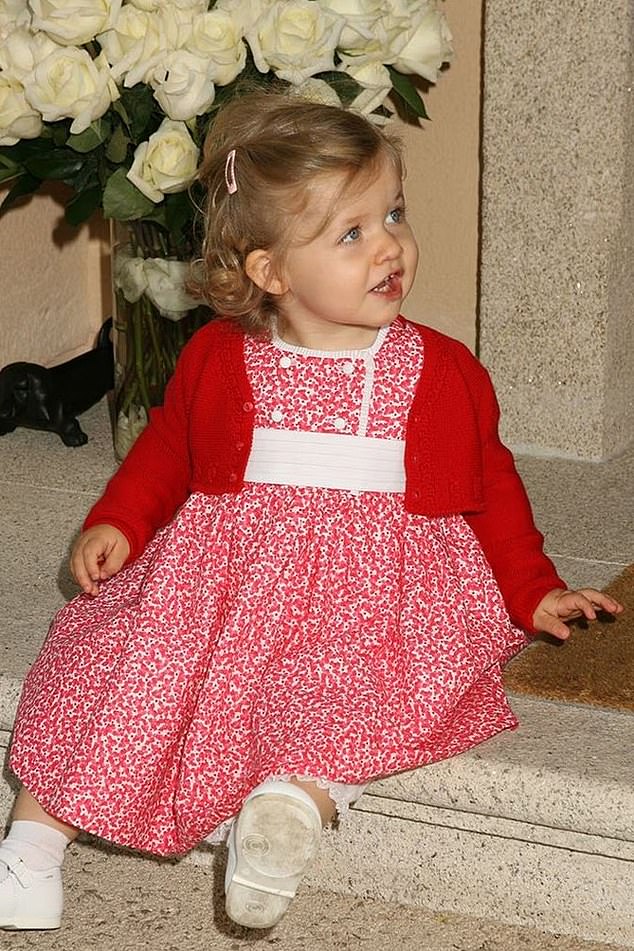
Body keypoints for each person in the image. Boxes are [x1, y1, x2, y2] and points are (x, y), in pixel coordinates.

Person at [0, 91, 623, 934]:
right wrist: (121, 520)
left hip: (383, 585)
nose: (391, 246)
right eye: (352, 232)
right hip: (232, 572)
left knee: (369, 687)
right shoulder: (223, 357)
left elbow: (492, 482)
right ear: (270, 271)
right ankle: (30, 853)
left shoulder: (439, 368)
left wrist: (532, 584)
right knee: (125, 665)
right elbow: (170, 451)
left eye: (393, 213)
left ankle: (291, 808)